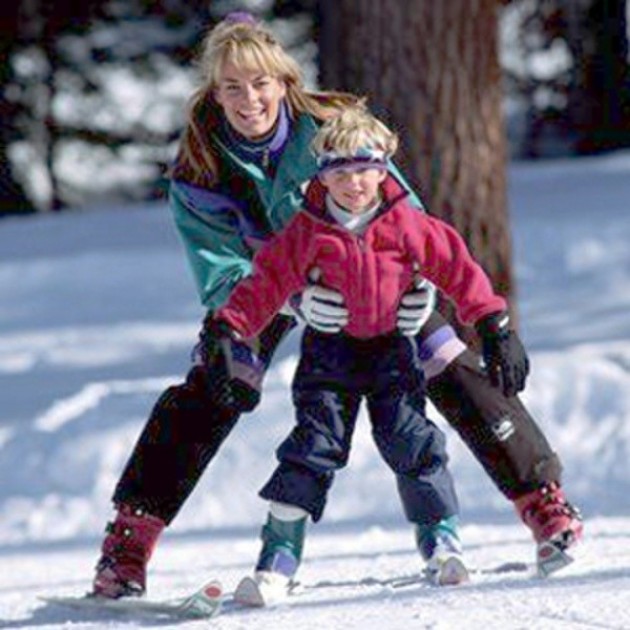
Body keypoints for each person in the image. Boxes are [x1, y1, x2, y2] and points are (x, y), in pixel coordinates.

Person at [91, 13, 582, 599]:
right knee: (213, 383)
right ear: (212, 92)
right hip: (267, 286)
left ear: (284, 82)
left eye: (261, 83)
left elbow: (406, 213)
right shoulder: (200, 165)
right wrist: (285, 303)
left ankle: (544, 504)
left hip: (376, 273)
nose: (249, 100)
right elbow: (219, 267)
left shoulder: (332, 127)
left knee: (447, 357)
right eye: (232, 87)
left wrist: (421, 286)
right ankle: (129, 542)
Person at [210, 105, 526, 602]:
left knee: (411, 440)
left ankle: (441, 542)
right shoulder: (306, 230)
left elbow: (458, 269)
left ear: (383, 170)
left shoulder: (409, 224)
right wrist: (229, 331)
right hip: (328, 356)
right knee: (314, 445)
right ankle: (278, 557)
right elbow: (264, 283)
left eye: (365, 170)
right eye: (340, 172)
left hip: (391, 353)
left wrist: (493, 324)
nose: (354, 184)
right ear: (322, 175)